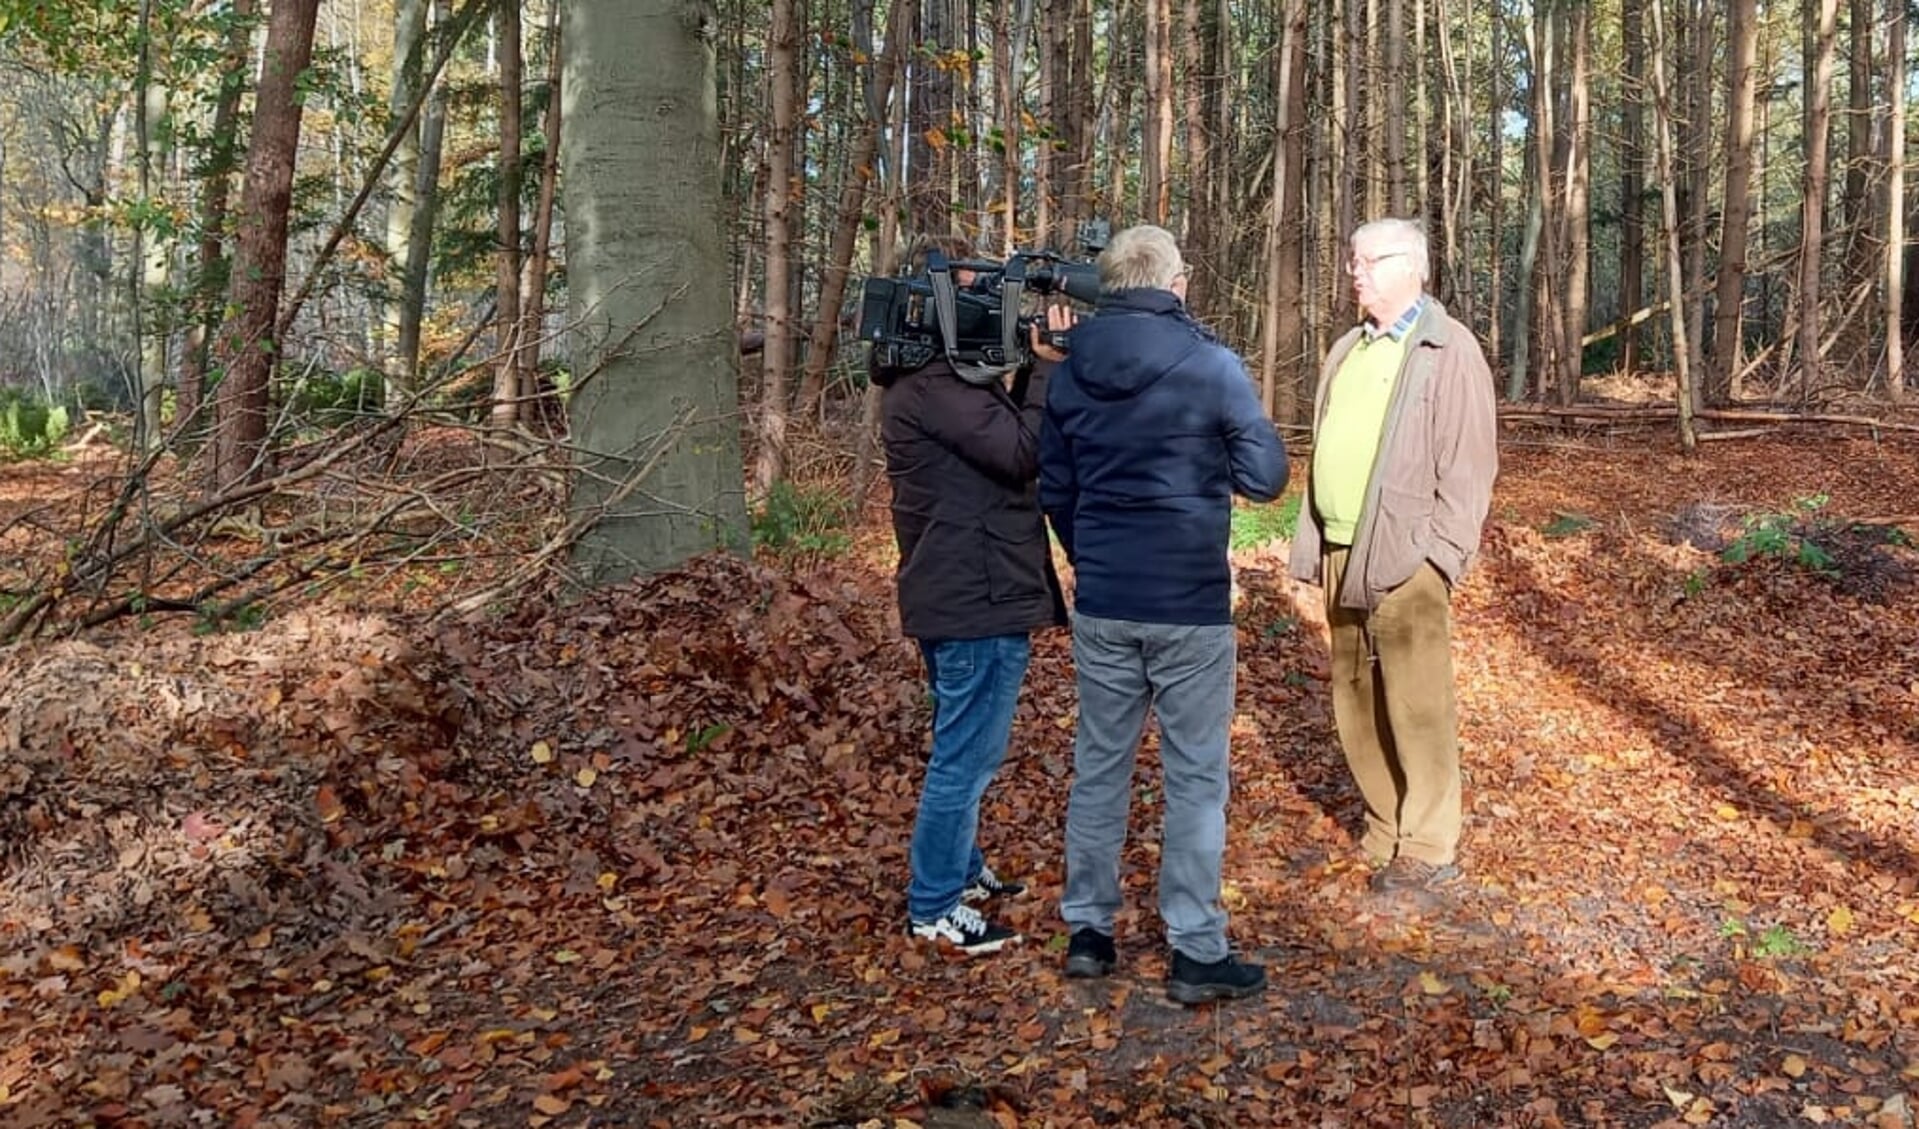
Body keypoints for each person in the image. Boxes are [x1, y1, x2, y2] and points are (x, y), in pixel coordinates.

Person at [1039, 224, 1287, 1004]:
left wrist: (1092, 556)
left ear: (1106, 286)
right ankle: (1194, 948)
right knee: (1194, 778)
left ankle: (1088, 930)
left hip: (1107, 599)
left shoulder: (1069, 372)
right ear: (1174, 284)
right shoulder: (1211, 366)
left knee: (1100, 765)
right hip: (1186, 602)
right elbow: (1268, 475)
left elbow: (1055, 486)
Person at [1287, 217, 1498, 895]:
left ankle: (1430, 843)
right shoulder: (1346, 347)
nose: (1356, 271)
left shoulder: (1447, 348)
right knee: (1354, 698)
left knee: (1417, 703)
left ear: (1414, 267)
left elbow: (1469, 467)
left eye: (1370, 260)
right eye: (1352, 259)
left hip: (1407, 556)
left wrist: (1439, 557)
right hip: (1343, 547)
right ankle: (1384, 826)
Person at [879, 234, 1072, 954]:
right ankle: (932, 904)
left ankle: (958, 869)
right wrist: (1047, 372)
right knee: (965, 755)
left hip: (968, 587)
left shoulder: (942, 379)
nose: (986, 308)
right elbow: (1024, 452)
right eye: (970, 294)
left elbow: (1003, 442)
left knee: (965, 748)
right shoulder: (938, 387)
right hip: (971, 596)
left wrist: (1025, 372)